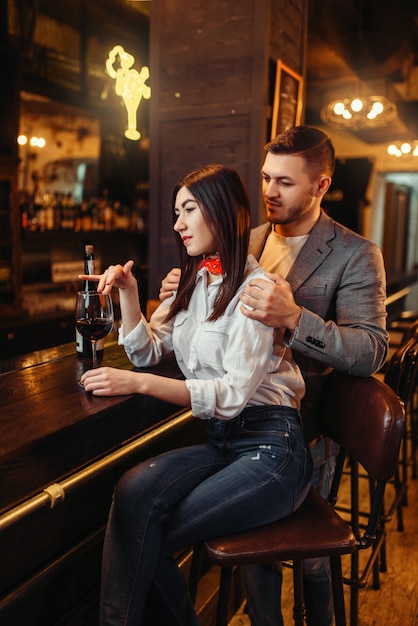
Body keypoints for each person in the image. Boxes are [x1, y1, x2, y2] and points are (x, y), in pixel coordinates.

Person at [159, 127, 389, 626]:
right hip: (233, 421)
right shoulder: (247, 239)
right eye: (265, 177)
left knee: (308, 565)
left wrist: (294, 318)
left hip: (306, 430)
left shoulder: (355, 253)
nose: (268, 191)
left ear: (321, 186)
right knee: (243, 543)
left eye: (284, 182)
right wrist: (184, 295)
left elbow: (371, 351)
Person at [79, 164, 313, 625]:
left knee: (152, 539)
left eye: (188, 210)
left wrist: (136, 383)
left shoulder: (258, 291)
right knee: (132, 493)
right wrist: (129, 292)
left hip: (272, 449)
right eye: (175, 212)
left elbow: (229, 396)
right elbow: (146, 352)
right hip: (223, 443)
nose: (177, 223)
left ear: (221, 211)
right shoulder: (192, 281)